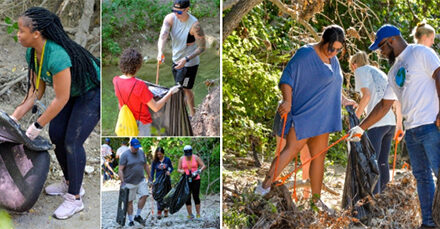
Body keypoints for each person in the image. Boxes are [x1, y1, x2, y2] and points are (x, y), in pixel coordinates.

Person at [10, 7, 100, 219]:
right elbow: (35, 92)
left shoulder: (57, 56)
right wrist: (13, 119)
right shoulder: (32, 53)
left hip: (91, 92)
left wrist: (36, 126)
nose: (17, 34)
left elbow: (61, 99)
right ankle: (69, 182)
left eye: (21, 31)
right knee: (56, 135)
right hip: (71, 94)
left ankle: (75, 199)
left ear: (36, 34)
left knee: (72, 142)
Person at [254, 25, 356, 210]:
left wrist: (344, 100)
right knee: (291, 150)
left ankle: (315, 202)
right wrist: (287, 101)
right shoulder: (306, 54)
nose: (334, 52)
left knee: (319, 157)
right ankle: (263, 188)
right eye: (331, 48)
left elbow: (332, 85)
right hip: (306, 114)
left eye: (338, 50)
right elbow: (287, 78)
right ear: (323, 41)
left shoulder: (334, 61)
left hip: (324, 118)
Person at [348, 24, 440, 229]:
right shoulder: (393, 70)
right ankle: (429, 223)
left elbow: (439, 74)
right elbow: (384, 105)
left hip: (431, 124)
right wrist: (361, 128)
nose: (380, 53)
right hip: (412, 130)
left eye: (381, 47)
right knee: (422, 177)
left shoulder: (420, 52)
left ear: (391, 40)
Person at [349, 51, 403, 194]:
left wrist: (356, 120)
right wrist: (399, 125)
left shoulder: (360, 70)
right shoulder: (380, 72)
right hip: (390, 122)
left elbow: (366, 96)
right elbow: (396, 100)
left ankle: (375, 198)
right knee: (382, 162)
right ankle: (385, 198)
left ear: (354, 65)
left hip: (377, 122)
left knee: (372, 163)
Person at [113, 48, 180, 136]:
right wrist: (170, 92)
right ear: (137, 66)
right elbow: (155, 107)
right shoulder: (139, 85)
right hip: (141, 123)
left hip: (125, 120)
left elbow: (120, 104)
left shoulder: (116, 80)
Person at [157, 0, 206, 117]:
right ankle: (182, 114)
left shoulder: (195, 25)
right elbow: (163, 35)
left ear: (187, 9)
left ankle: (192, 115)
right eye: (174, 11)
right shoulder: (170, 18)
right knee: (180, 88)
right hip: (176, 60)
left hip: (189, 64)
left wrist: (186, 59)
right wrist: (160, 52)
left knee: (185, 89)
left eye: (179, 12)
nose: (176, 14)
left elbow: (202, 48)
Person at [118, 138, 151, 227]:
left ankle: (137, 215)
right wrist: (122, 181)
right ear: (131, 146)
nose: (136, 149)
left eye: (138, 147)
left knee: (145, 195)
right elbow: (120, 169)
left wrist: (150, 176)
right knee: (130, 202)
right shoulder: (125, 155)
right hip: (129, 181)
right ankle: (131, 220)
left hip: (141, 179)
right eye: (135, 147)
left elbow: (145, 165)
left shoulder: (141, 153)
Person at [178, 145, 206, 219]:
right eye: (187, 154)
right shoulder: (181, 159)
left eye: (189, 154)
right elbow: (178, 169)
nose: (188, 156)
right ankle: (190, 214)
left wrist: (199, 171)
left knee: (196, 196)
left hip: (196, 178)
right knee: (187, 197)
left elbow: (203, 166)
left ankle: (198, 214)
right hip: (186, 179)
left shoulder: (196, 157)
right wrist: (182, 171)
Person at [149, 147, 173, 219]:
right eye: (158, 154)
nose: (159, 156)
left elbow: (171, 168)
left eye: (160, 154)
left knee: (166, 194)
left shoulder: (167, 160)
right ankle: (159, 210)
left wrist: (169, 171)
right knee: (159, 194)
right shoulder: (155, 161)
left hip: (166, 180)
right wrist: (151, 180)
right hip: (158, 181)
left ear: (163, 153)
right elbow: (152, 171)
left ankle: (166, 209)